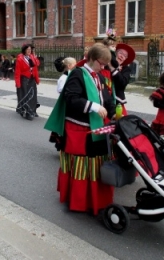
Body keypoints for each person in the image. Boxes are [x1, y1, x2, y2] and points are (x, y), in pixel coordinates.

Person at [44, 43, 116, 215]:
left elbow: (105, 97)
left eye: (106, 64)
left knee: (98, 162)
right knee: (83, 165)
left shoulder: (98, 76)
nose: (103, 67)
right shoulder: (77, 73)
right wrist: (93, 106)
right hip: (80, 129)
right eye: (101, 63)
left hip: (96, 128)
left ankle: (97, 200)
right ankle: (80, 201)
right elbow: (71, 98)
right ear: (92, 59)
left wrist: (113, 112)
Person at [108, 43, 135, 116]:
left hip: (117, 102)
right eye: (121, 53)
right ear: (115, 53)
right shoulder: (106, 64)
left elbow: (123, 83)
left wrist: (113, 69)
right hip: (104, 100)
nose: (122, 56)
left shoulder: (126, 69)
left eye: (125, 56)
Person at [15, 44, 40, 121]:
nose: (29, 51)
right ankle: (25, 111)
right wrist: (18, 84)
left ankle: (33, 110)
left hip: (32, 79)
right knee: (25, 96)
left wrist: (35, 57)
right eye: (28, 49)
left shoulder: (32, 57)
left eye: (30, 49)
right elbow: (17, 72)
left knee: (33, 95)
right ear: (24, 50)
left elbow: (37, 64)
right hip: (24, 79)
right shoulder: (20, 59)